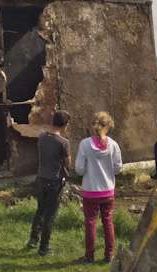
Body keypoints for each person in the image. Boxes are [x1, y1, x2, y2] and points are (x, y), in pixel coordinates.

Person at [74, 111, 123, 264]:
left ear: (93, 125)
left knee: (90, 222)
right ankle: (109, 255)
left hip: (90, 191)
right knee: (108, 221)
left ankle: (89, 256)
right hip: (108, 191)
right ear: (108, 126)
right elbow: (118, 168)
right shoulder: (113, 145)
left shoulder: (85, 144)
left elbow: (79, 170)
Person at [27, 110, 72, 257]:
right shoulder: (64, 143)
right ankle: (44, 248)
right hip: (54, 181)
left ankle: (33, 240)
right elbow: (68, 164)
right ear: (65, 125)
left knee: (40, 210)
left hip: (41, 178)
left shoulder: (42, 137)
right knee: (50, 215)